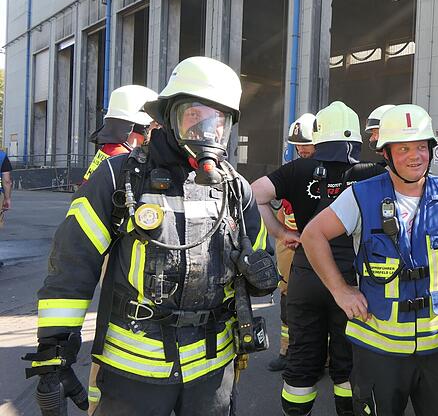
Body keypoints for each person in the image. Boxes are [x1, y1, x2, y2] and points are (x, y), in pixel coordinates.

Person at [23, 56, 277, 415]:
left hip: (212, 370)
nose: (207, 131)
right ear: (170, 116)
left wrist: (262, 272)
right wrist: (54, 352)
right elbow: (71, 266)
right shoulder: (119, 178)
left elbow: (262, 255)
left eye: (217, 121)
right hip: (134, 372)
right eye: (195, 116)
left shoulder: (235, 189)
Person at [301, 104, 438, 416]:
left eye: (421, 147)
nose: (416, 156)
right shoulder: (361, 195)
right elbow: (312, 235)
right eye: (404, 149)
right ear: (386, 154)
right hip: (378, 353)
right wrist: (340, 290)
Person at [252, 101, 385, 416]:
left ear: (319, 137)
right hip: (352, 279)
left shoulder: (297, 168)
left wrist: (281, 231)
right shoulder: (371, 173)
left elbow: (256, 193)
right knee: (348, 359)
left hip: (305, 273)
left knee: (302, 357)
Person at [268, 113, 317, 372]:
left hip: (318, 255)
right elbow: (279, 211)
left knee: (318, 309)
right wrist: (281, 235)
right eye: (298, 146)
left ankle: (325, 357)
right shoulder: (293, 171)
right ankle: (287, 353)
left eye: (306, 144)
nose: (302, 150)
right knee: (289, 307)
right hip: (291, 253)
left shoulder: (327, 173)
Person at [82, 85, 159, 182]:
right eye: (155, 124)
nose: (156, 129)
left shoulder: (109, 151)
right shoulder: (123, 158)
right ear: (142, 126)